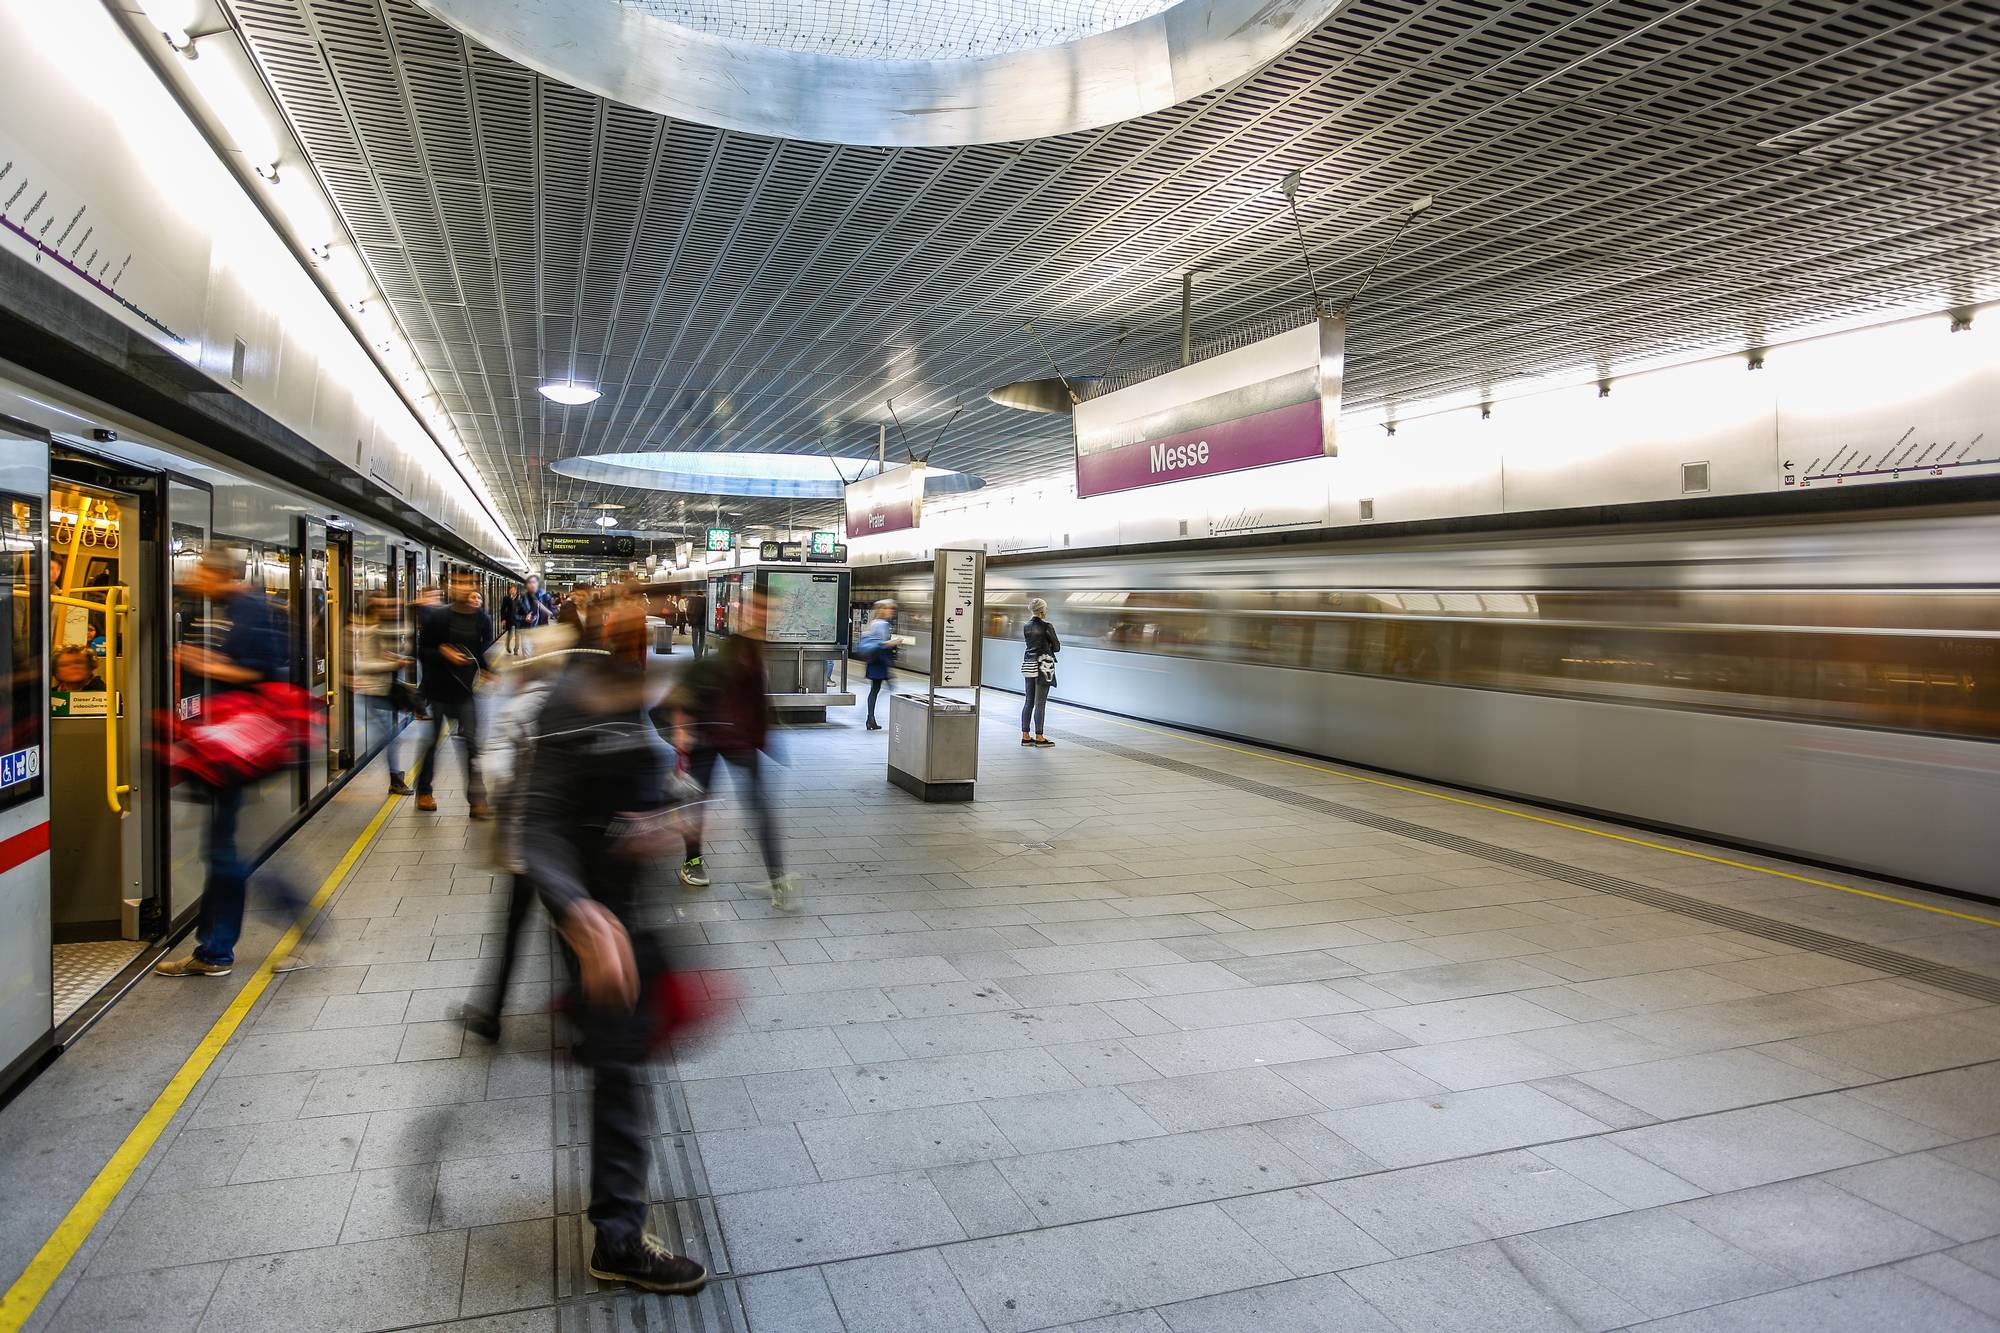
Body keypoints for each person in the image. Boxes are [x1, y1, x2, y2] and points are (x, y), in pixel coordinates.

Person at [520, 588, 707, 1295]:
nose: (646, 644)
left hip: (624, 910)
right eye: (636, 633)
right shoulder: (571, 697)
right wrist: (578, 910)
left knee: (629, 1049)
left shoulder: (626, 691)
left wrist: (668, 818)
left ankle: (594, 1040)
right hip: (593, 918)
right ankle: (619, 1238)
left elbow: (631, 794)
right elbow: (539, 824)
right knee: (622, 1067)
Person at [156, 548, 310, 978]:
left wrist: (205, 663)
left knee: (230, 856)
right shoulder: (228, 608)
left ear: (220, 574)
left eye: (202, 570)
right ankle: (213, 950)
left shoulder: (249, 609)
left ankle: (286, 930)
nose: (196, 577)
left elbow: (266, 670)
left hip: (244, 747)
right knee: (223, 852)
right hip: (229, 746)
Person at [660, 589, 795, 908]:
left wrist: (766, 735)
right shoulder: (729, 651)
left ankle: (778, 878)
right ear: (746, 612)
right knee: (696, 803)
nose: (766, 615)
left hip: (740, 741)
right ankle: (692, 862)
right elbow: (686, 692)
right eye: (760, 609)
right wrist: (681, 732)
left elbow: (756, 699)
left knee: (761, 807)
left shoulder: (756, 650)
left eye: (770, 609)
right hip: (706, 738)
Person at [414, 570, 494, 816]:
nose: (461, 587)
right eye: (457, 583)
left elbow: (481, 653)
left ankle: (477, 800)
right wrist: (442, 652)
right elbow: (421, 651)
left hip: (465, 692)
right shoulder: (437, 617)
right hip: (438, 690)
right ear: (449, 586)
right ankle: (424, 791)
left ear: (475, 586)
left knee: (471, 744)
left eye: (467, 582)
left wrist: (491, 671)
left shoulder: (482, 619)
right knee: (431, 743)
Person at [354, 593, 414, 794]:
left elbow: (406, 642)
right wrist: (392, 663)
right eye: (386, 607)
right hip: (373, 692)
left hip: (386, 691)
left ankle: (395, 775)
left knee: (392, 735)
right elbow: (363, 664)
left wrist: (396, 658)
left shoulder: (387, 631)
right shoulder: (370, 633)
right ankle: (395, 779)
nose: (391, 610)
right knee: (391, 736)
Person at [856, 599, 906, 731]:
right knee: (884, 689)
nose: (891, 611)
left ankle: (870, 718)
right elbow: (882, 644)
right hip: (880, 661)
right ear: (882, 610)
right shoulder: (882, 624)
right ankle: (870, 718)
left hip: (876, 661)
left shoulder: (875, 623)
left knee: (876, 689)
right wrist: (895, 641)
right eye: (889, 608)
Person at [1021, 596, 1059, 748]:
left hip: (1028, 664)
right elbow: (1056, 647)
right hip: (1044, 666)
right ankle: (1039, 736)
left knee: (1029, 701)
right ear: (1043, 610)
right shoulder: (1047, 626)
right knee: (1040, 703)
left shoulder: (1026, 626)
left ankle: (1025, 736)